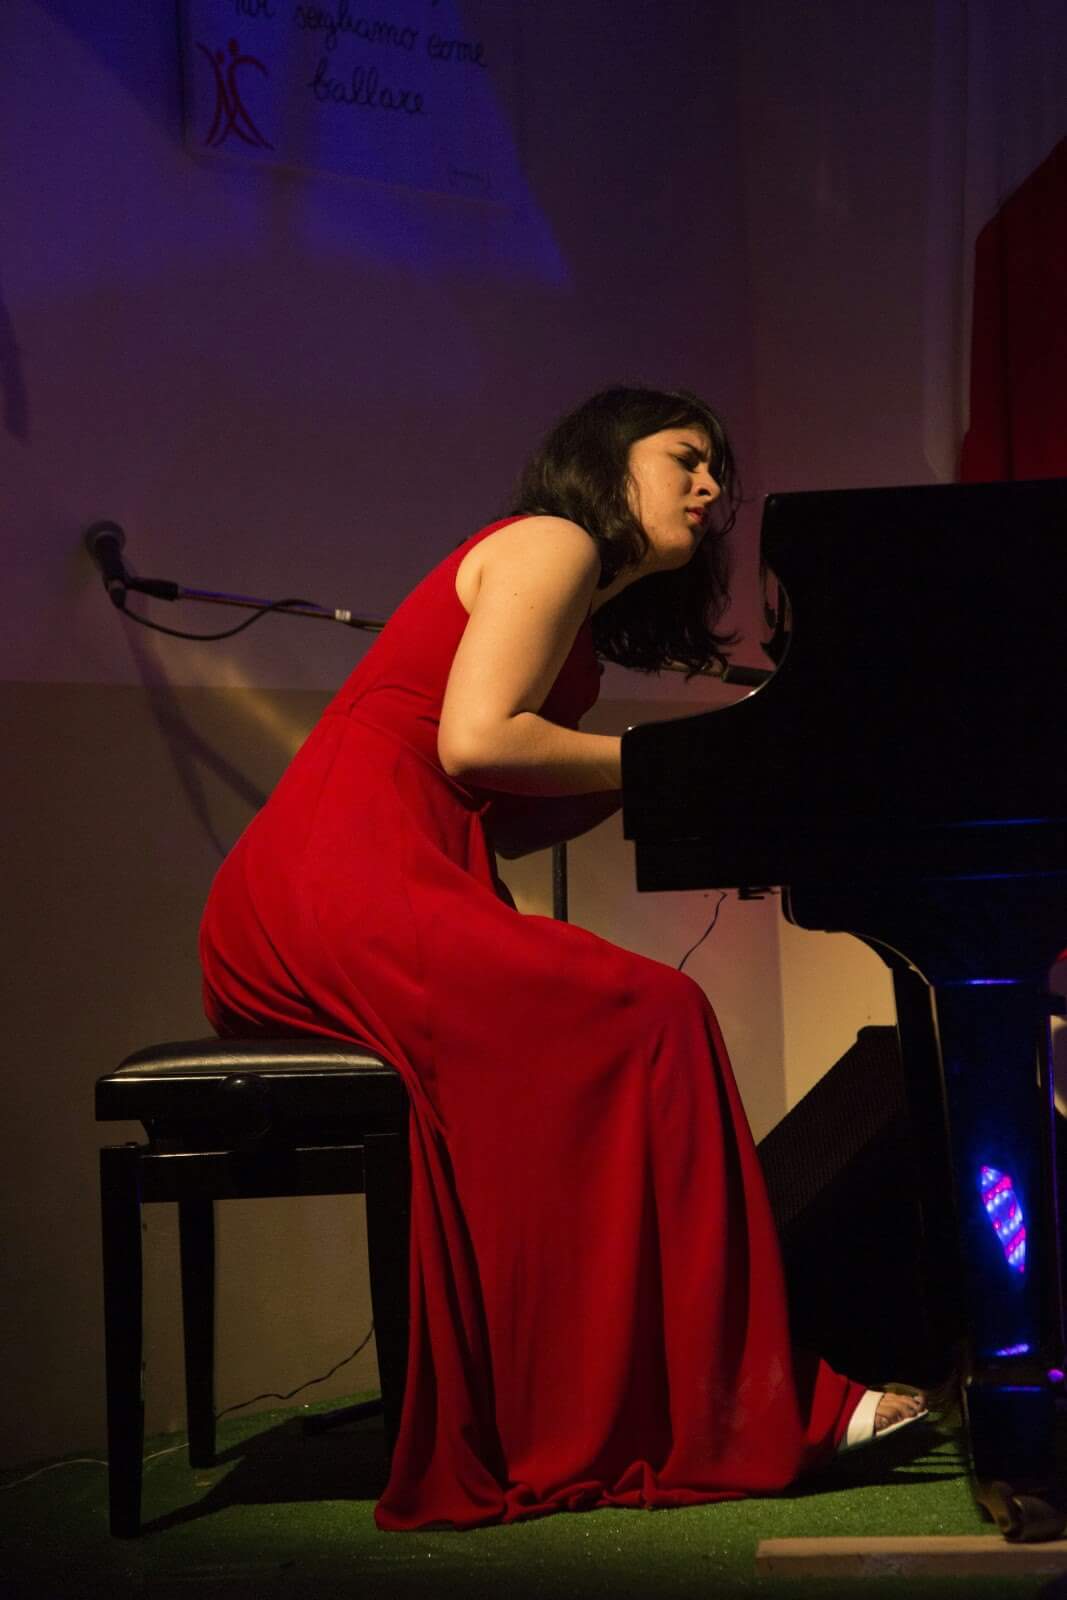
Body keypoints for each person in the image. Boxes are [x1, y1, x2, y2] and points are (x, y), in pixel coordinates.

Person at [199, 385, 926, 1531]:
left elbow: (503, 807)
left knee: (630, 1022)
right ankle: (721, 1406)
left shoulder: (577, 594)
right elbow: (476, 742)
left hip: (377, 870)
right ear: (605, 460)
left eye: (718, 472)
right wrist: (665, 760)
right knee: (656, 1013)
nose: (710, 488)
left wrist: (694, 783)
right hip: (345, 874)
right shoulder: (553, 540)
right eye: (684, 458)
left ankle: (612, 1399)